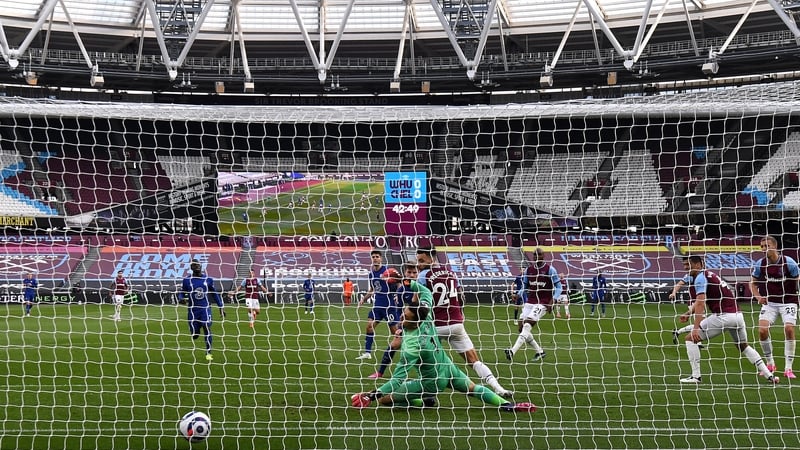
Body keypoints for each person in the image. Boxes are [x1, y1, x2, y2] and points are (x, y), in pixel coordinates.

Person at [351, 281, 535, 413]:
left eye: (405, 317)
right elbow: (425, 292)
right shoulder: (427, 315)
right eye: (403, 314)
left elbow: (397, 380)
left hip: (432, 382)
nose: (401, 318)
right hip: (447, 367)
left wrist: (371, 395)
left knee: (385, 400)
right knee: (474, 389)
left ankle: (423, 402)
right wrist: (408, 283)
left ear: (416, 322)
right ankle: (507, 405)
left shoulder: (411, 346)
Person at [416, 246, 512, 397]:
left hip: (436, 327)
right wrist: (460, 313)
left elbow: (417, 302)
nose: (419, 264)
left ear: (431, 258)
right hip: (456, 324)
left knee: (425, 360)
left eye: (421, 260)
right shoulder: (451, 272)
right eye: (418, 261)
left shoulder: (423, 276)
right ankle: (499, 388)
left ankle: (429, 395)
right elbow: (461, 296)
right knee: (474, 361)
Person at [678, 255, 779, 384]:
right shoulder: (710, 275)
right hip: (737, 316)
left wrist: (696, 328)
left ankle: (696, 376)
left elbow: (700, 303)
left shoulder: (700, 278)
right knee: (743, 346)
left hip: (723, 316)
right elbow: (701, 301)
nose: (686, 268)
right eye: (684, 265)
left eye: (688, 264)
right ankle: (770, 376)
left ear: (698, 264)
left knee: (690, 339)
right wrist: (688, 313)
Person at [749, 235, 800, 379]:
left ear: (775, 247)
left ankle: (788, 368)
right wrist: (758, 297)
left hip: (788, 301)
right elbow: (752, 283)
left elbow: (798, 278)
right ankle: (770, 363)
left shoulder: (788, 262)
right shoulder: (761, 264)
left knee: (789, 329)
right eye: (762, 247)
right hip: (770, 302)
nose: (764, 249)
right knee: (762, 330)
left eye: (767, 246)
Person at [504, 248, 562, 363]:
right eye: (534, 255)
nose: (536, 256)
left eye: (539, 254)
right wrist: (518, 294)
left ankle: (512, 351)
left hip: (543, 302)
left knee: (527, 324)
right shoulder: (528, 270)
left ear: (543, 256)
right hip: (531, 301)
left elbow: (559, 287)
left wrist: (553, 300)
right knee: (521, 327)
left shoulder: (550, 270)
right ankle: (540, 351)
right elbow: (525, 286)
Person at [369, 261, 418, 378]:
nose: (411, 275)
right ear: (405, 273)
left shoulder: (424, 286)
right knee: (394, 344)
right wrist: (400, 326)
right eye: (409, 272)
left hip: (425, 324)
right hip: (410, 324)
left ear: (418, 273)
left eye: (414, 272)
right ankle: (380, 372)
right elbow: (399, 310)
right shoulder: (402, 290)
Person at [178, 259, 226, 361]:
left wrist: (221, 307)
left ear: (201, 266)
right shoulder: (187, 280)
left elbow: (214, 294)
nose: (197, 267)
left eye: (198, 265)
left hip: (205, 308)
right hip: (193, 310)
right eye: (194, 265)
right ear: (191, 268)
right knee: (195, 335)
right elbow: (182, 292)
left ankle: (208, 352)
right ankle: (196, 329)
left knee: (206, 326)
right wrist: (180, 298)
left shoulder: (208, 279)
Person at [356, 250, 400, 360]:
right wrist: (363, 299)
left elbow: (399, 283)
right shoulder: (371, 274)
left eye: (377, 256)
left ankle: (408, 348)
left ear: (381, 258)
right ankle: (367, 353)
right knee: (369, 326)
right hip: (377, 306)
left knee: (395, 332)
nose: (375, 258)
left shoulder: (388, 271)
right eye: (373, 257)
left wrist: (398, 295)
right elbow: (372, 290)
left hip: (389, 307)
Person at [669, 258, 705, 349]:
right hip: (694, 301)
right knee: (700, 323)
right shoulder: (691, 275)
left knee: (701, 323)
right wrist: (674, 293)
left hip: (699, 301)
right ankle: (697, 342)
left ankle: (678, 332)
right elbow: (679, 284)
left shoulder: (703, 275)